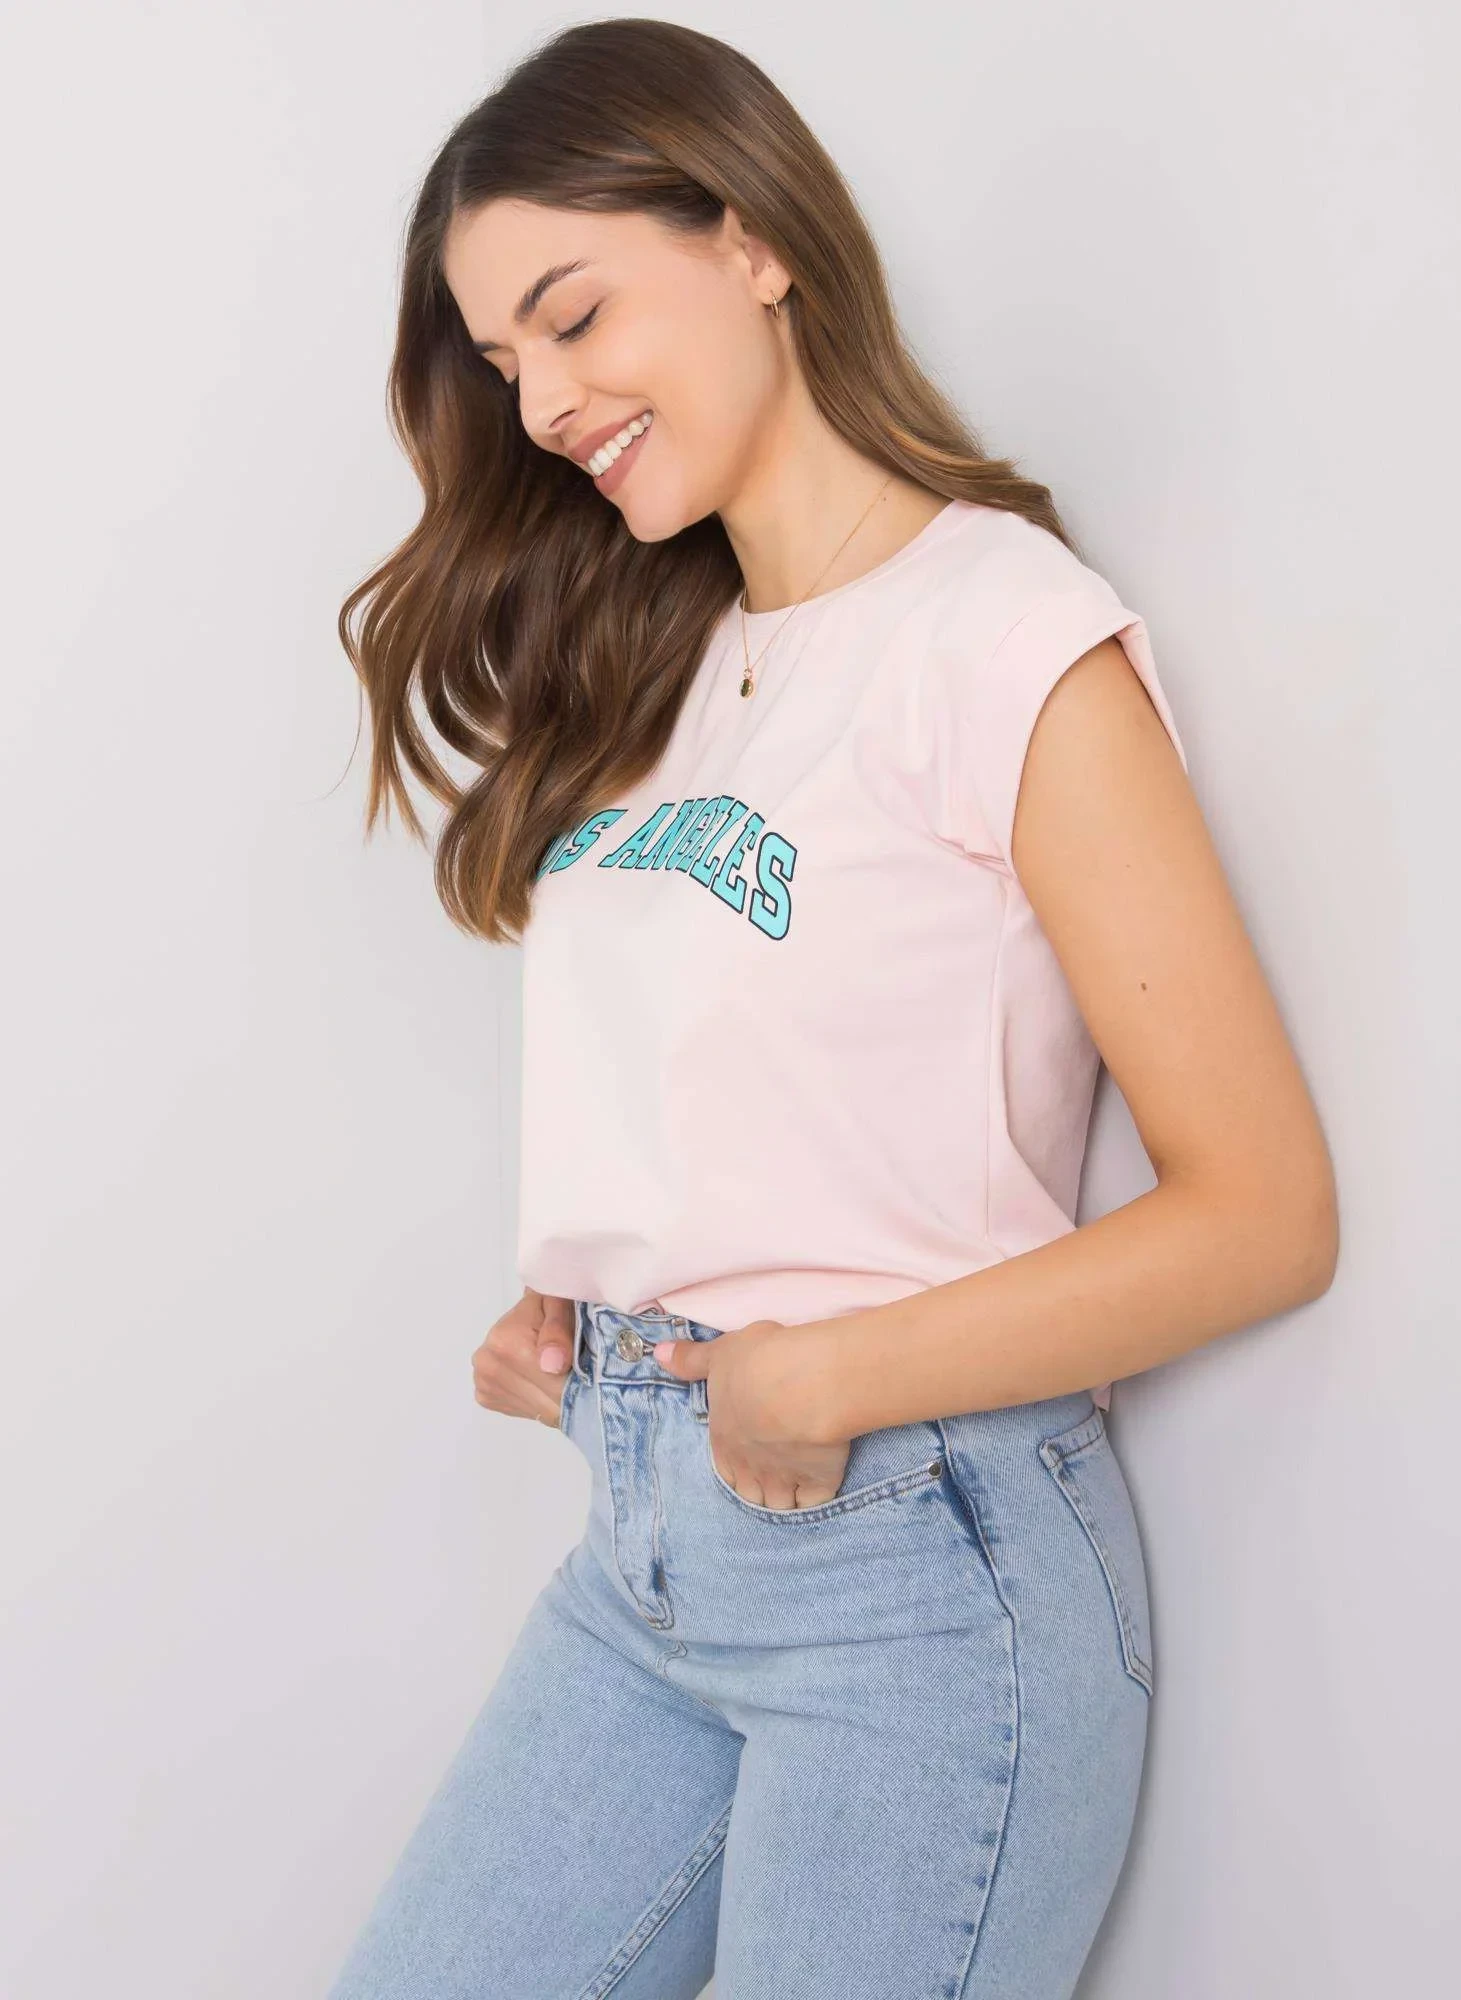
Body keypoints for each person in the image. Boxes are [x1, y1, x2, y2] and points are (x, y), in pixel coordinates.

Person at [327, 18, 1338, 1999]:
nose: (543, 401)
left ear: (755, 236)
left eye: (572, 315)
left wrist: (823, 1376)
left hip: (918, 1571)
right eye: (506, 362)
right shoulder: (661, 660)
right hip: (647, 1552)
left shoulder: (1003, 635)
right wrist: (605, 1306)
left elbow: (1264, 1212)